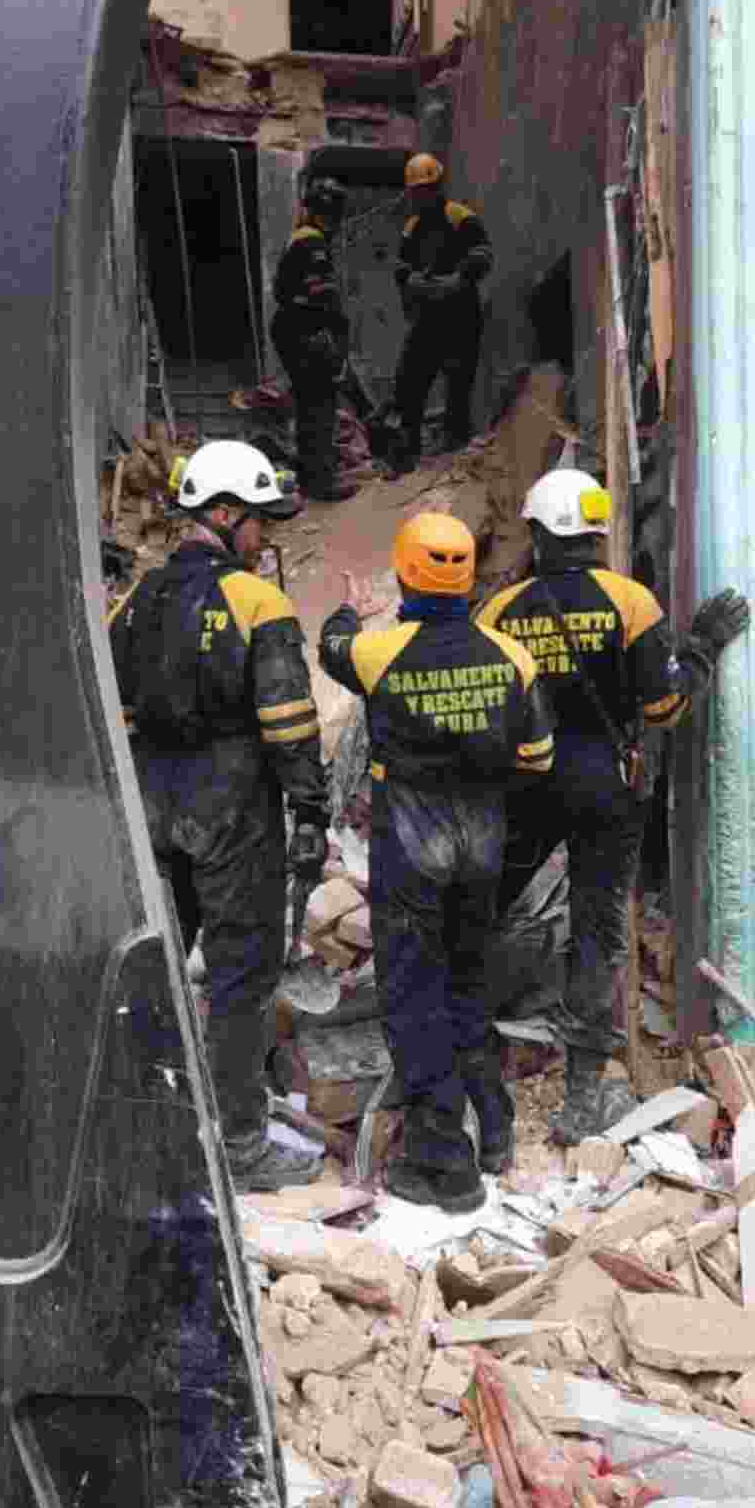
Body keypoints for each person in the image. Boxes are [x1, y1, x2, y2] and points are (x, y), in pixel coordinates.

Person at [477, 468, 750, 1144]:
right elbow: (664, 706)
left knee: (479, 910)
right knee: (596, 935)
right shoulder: (630, 602)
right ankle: (581, 1097)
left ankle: (465, 1059)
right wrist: (702, 647)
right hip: (606, 785)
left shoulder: (499, 612)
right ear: (596, 535)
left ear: (537, 533)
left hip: (526, 783)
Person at [109, 440, 330, 1190]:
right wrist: (310, 809)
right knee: (242, 976)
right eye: (259, 520)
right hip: (233, 809)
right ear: (227, 514)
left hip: (152, 803)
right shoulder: (256, 602)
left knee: (154, 966)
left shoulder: (137, 598)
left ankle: (144, 1131)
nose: (264, 537)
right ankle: (239, 1144)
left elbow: (113, 704)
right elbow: (289, 720)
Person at [318, 512, 554, 1211]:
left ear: (404, 573)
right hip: (482, 846)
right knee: (468, 984)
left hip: (412, 849)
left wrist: (349, 609)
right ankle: (496, 1131)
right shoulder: (511, 657)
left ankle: (443, 1164)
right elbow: (537, 757)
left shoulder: (378, 654)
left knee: (415, 996)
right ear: (469, 576)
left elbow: (332, 648)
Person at [384, 154, 493, 477]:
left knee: (458, 380)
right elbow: (400, 266)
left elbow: (483, 254)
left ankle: (454, 445)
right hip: (427, 316)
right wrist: (411, 281)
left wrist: (459, 278)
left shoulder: (460, 217)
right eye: (416, 192)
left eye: (425, 190)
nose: (420, 197)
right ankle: (407, 451)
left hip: (460, 313)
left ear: (437, 187)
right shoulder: (412, 227)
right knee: (410, 380)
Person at [270, 175, 358, 504]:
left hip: (292, 329)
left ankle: (310, 477)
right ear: (330, 214)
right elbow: (324, 296)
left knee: (309, 404)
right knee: (320, 404)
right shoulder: (313, 243)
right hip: (306, 331)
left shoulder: (300, 238)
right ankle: (321, 482)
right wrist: (337, 339)